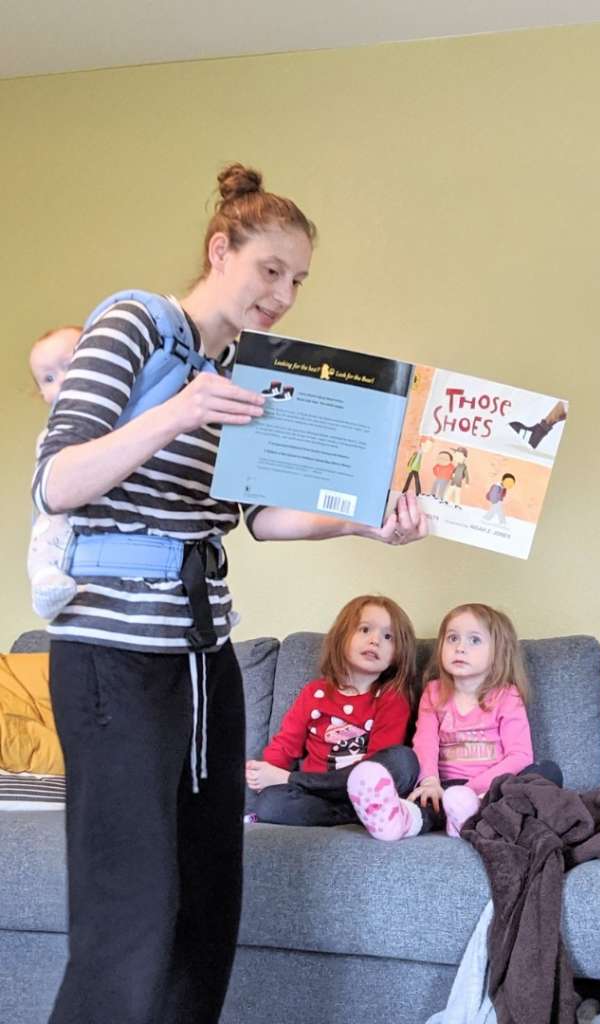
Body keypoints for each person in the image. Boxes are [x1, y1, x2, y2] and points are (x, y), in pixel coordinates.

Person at [33, 163, 426, 1024]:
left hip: (205, 654)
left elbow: (259, 518)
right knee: (129, 909)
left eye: (298, 280)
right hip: (115, 654)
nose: (284, 295)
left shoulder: (245, 371)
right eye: (270, 270)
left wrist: (368, 524)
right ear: (222, 250)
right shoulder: (134, 323)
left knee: (208, 902)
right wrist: (177, 410)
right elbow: (57, 482)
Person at [347, 602, 561, 841]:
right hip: (444, 788)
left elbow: (520, 756)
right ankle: (397, 819)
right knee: (427, 805)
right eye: (452, 639)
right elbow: (425, 743)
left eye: (474, 640)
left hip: (490, 790)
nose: (460, 648)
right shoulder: (433, 692)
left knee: (546, 772)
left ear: (499, 652)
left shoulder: (507, 695)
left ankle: (473, 814)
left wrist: (471, 789)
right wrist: (429, 781)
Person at [245, 595, 420, 826]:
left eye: (388, 637)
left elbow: (379, 764)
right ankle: (356, 818)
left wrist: (289, 778)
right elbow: (286, 745)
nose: (375, 640)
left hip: (368, 794)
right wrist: (265, 771)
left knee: (403, 759)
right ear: (341, 638)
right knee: (270, 804)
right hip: (317, 796)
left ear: (398, 654)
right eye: (365, 629)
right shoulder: (314, 694)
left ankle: (366, 811)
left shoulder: (391, 698)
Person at [26, 325, 81, 619]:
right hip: (61, 519)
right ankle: (44, 584)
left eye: (70, 366)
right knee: (45, 541)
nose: (61, 382)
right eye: (48, 378)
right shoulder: (51, 434)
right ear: (42, 394)